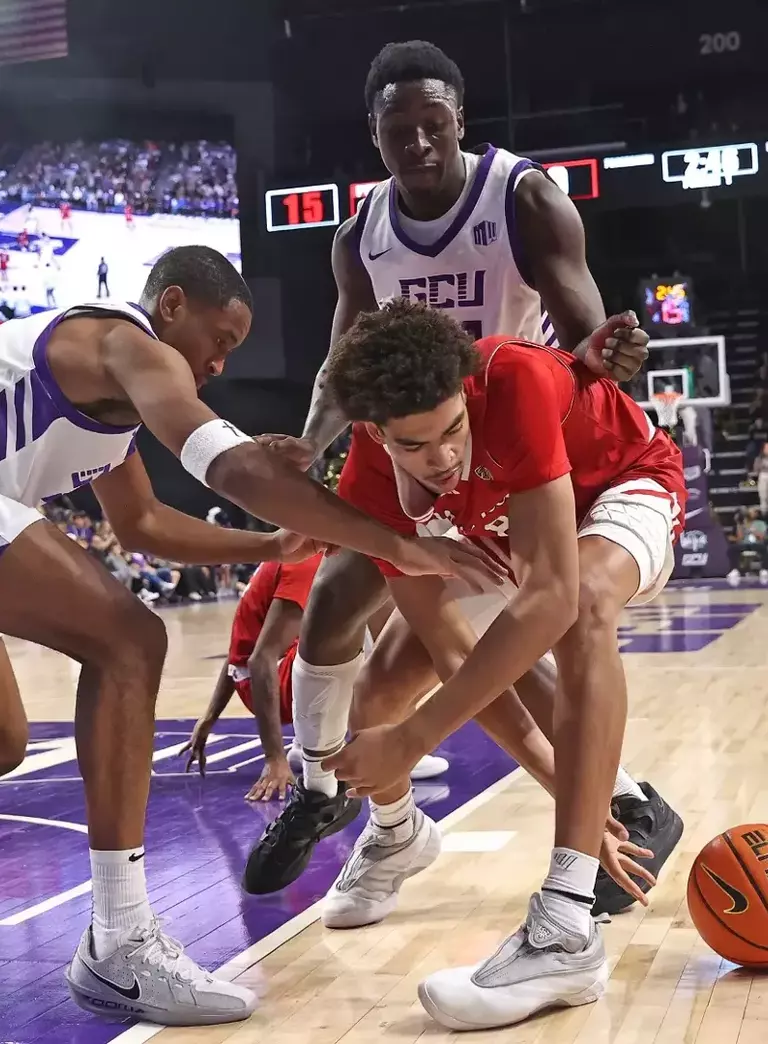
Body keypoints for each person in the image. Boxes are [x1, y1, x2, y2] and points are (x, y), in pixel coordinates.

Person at [0, 246, 498, 1027]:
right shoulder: (126, 343)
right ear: (171, 306)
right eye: (219, 338)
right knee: (129, 641)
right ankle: (119, 941)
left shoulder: (108, 403)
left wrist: (270, 546)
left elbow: (143, 524)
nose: (220, 362)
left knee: (5, 743)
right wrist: (393, 543)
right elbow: (229, 468)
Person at [245, 39, 674, 905]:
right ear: (374, 134)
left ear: (460, 120)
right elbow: (343, 364)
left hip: (530, 443)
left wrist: (600, 358)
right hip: (439, 460)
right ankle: (344, 801)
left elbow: (583, 334)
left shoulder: (523, 198)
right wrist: (313, 445)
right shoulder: (361, 240)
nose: (418, 143)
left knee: (552, 616)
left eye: (433, 124)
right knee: (350, 629)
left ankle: (612, 807)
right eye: (398, 129)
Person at [320, 299, 686, 1030]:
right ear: (375, 434)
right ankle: (399, 832)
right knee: (382, 689)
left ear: (465, 390)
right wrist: (569, 791)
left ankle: (566, 924)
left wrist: (416, 739)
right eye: (415, 444)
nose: (442, 457)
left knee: (580, 605)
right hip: (502, 525)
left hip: (620, 486)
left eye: (453, 428)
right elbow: (457, 651)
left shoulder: (513, 378)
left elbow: (550, 599)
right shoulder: (367, 481)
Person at [182, 554, 447, 803]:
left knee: (347, 608)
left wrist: (209, 718)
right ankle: (386, 744)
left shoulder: (291, 554)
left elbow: (240, 653)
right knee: (363, 610)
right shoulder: (306, 562)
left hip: (257, 682)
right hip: (271, 685)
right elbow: (260, 659)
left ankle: (305, 744)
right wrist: (274, 758)